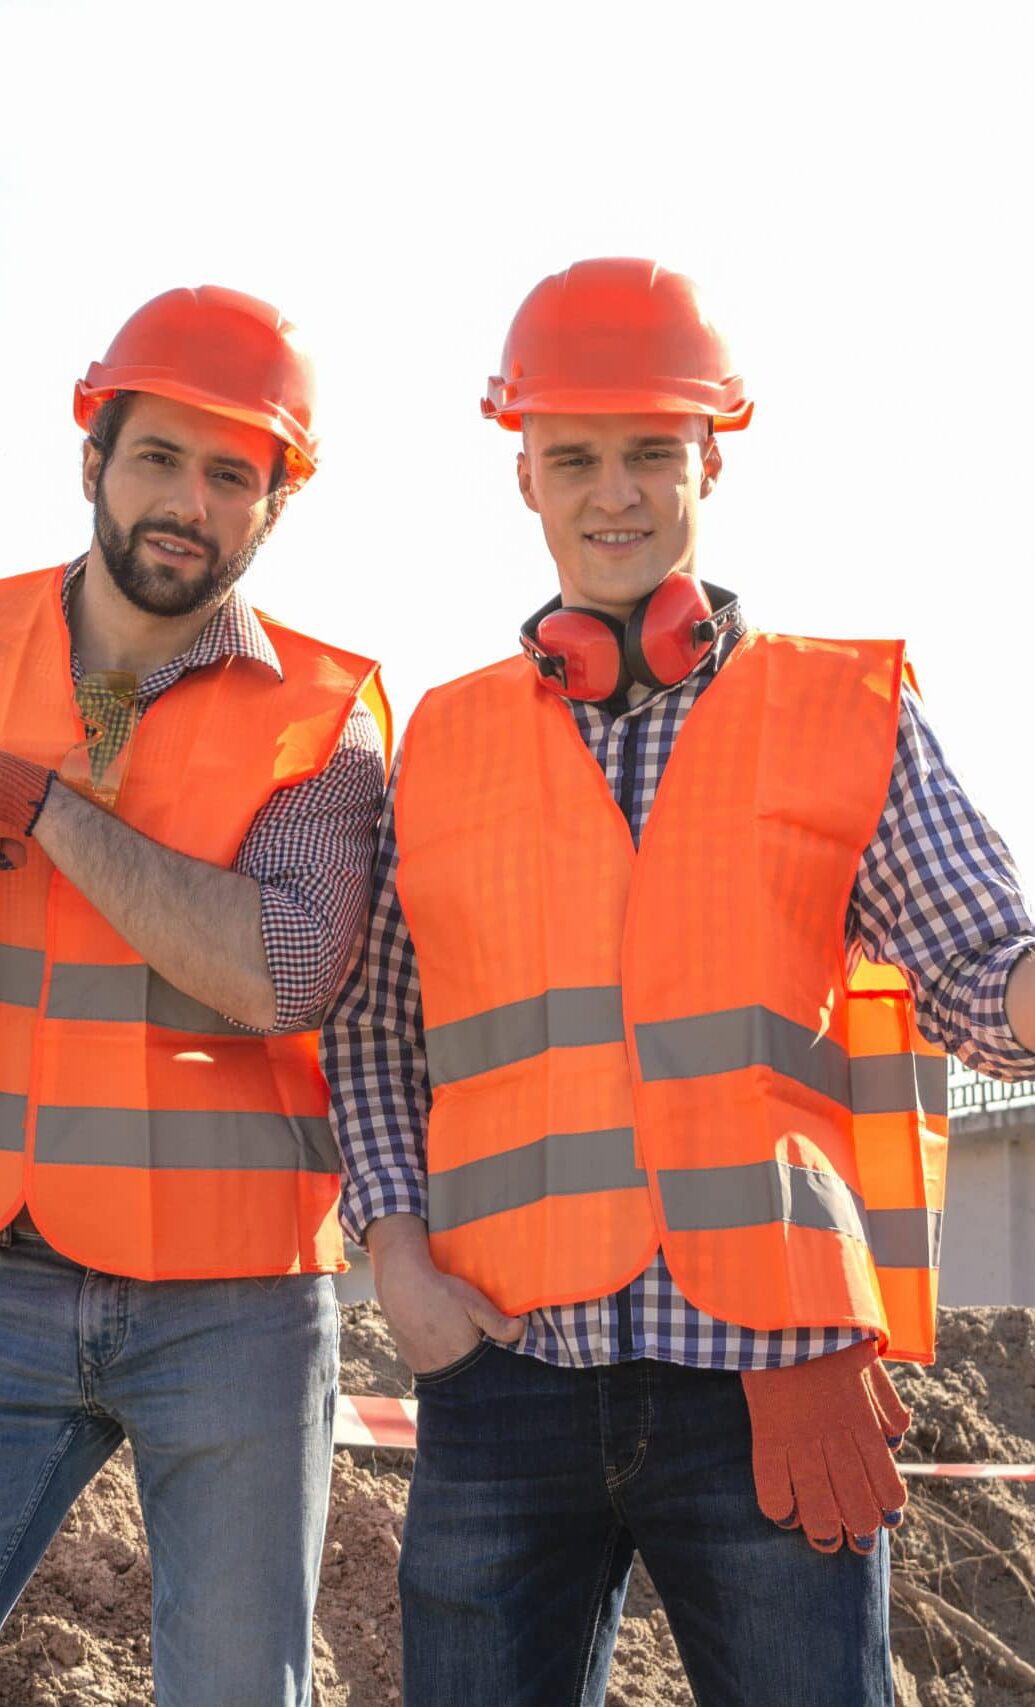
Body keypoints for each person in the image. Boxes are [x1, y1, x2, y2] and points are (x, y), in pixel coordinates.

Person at [323, 256, 1035, 1706]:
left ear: (713, 454)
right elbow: (380, 1033)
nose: (615, 493)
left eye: (653, 451)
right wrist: (397, 1258)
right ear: (522, 474)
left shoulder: (844, 711)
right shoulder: (442, 745)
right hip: (502, 1372)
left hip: (768, 1379)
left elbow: (978, 967)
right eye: (573, 457)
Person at [0, 284, 390, 1707]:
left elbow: (289, 970)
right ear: (93, 454)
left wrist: (45, 809)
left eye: (234, 475)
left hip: (235, 1307)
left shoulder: (326, 720)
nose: (189, 501)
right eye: (159, 456)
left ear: (277, 503)